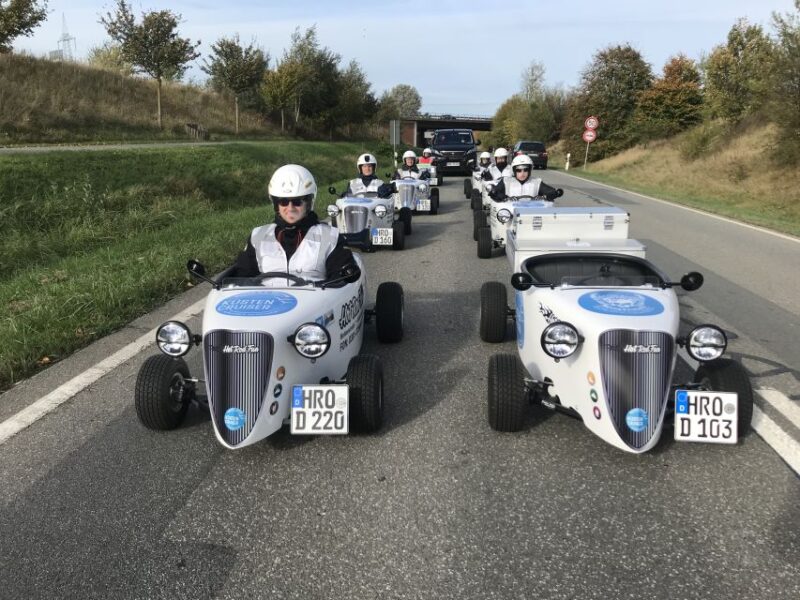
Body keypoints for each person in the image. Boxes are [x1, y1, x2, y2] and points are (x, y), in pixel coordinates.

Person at [232, 164, 360, 285]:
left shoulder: (331, 237)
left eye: (297, 202)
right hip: (265, 304)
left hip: (314, 305)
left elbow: (341, 282)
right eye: (283, 202)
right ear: (276, 204)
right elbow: (242, 278)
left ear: (309, 202)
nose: (290, 208)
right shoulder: (258, 236)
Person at [489, 154, 563, 202]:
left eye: (526, 170)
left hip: (531, 217)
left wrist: (547, 195)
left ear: (530, 170)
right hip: (509, 216)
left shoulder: (537, 182)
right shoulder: (506, 181)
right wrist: (505, 197)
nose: (522, 173)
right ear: (514, 170)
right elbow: (494, 192)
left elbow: (551, 191)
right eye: (519, 170)